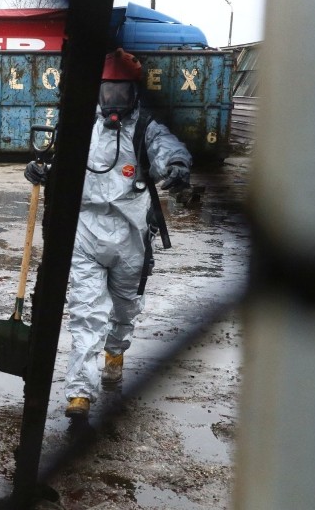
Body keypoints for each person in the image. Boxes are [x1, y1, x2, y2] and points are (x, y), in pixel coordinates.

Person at [24, 48, 192, 419]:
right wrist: (40, 171)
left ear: (134, 94)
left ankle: (115, 350)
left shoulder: (146, 129)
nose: (114, 101)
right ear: (97, 93)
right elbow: (54, 161)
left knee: (124, 309)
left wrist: (176, 166)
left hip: (131, 236)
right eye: (107, 92)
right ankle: (80, 392)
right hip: (85, 233)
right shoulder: (79, 128)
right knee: (86, 312)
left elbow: (167, 148)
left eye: (122, 93)